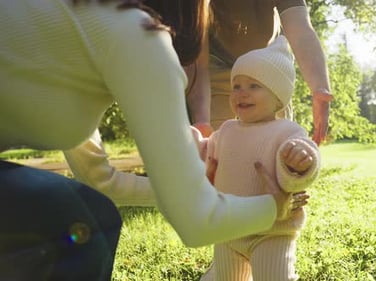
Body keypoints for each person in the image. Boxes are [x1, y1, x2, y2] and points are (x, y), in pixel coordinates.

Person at [0, 1, 305, 279]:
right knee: (82, 226)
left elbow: (97, 180)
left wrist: (188, 187)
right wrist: (274, 206)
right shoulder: (139, 35)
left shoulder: (83, 18)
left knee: (93, 213)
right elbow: (196, 223)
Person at [195, 36, 320, 281]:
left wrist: (301, 162)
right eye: (236, 86)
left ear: (278, 97)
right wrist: (192, 144)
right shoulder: (228, 130)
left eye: (254, 86)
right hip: (229, 229)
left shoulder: (287, 132)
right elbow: (207, 155)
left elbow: (307, 157)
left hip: (272, 232)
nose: (242, 93)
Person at [185, 0, 333, 145]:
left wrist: (320, 88)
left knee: (280, 150)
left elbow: (300, 30)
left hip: (268, 69)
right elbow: (198, 62)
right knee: (218, 151)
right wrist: (202, 120)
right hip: (218, 67)